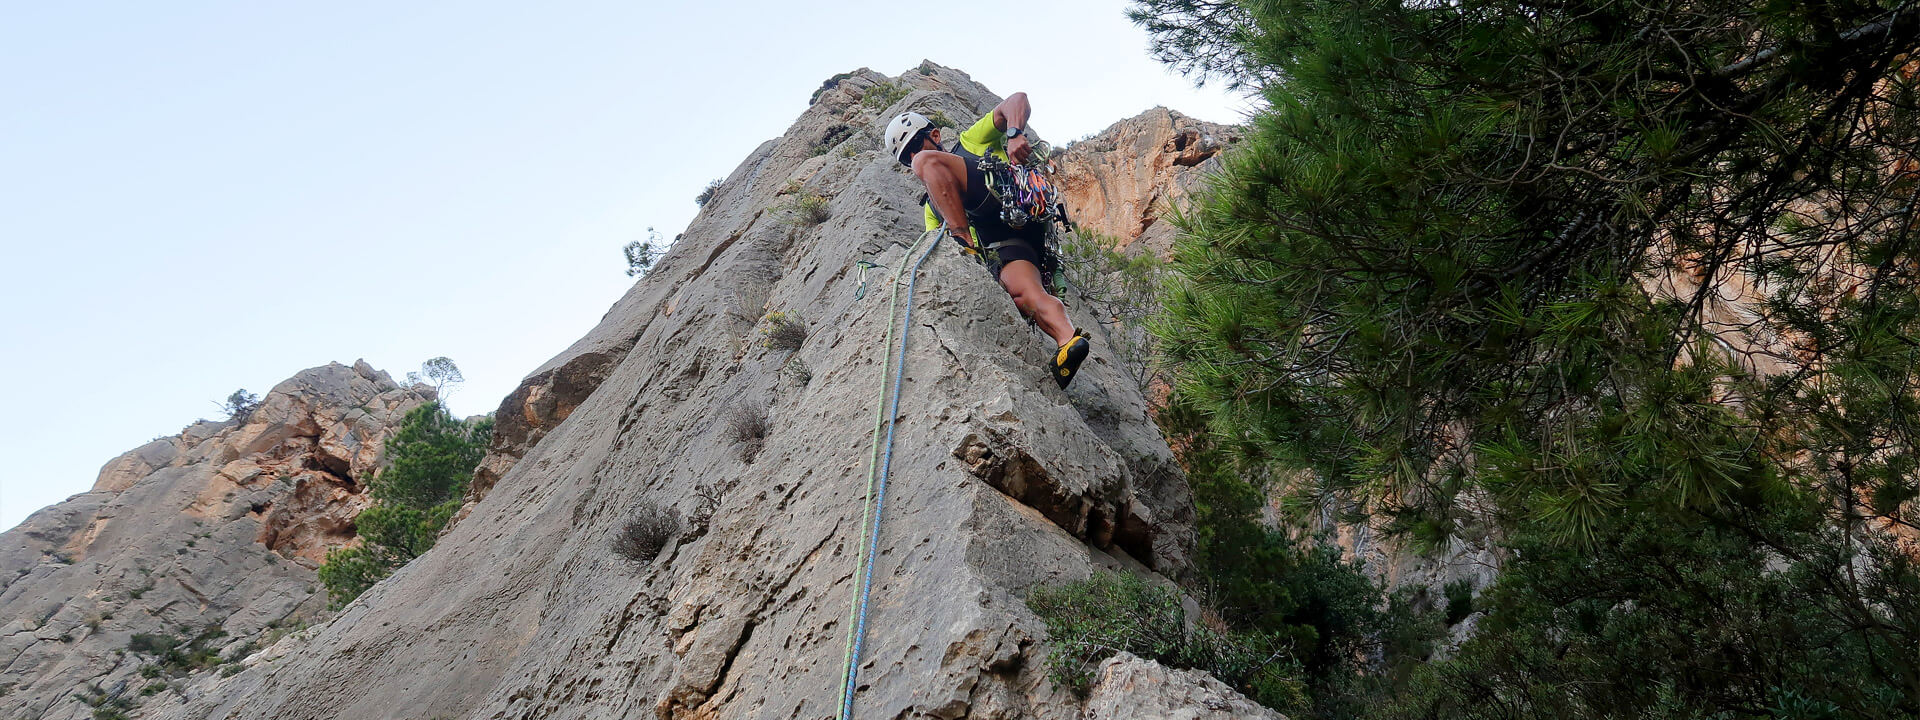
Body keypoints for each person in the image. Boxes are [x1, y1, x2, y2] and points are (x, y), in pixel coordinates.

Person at [883, 94, 1092, 388]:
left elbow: (1017, 101)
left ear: (935, 135)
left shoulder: (969, 142)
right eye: (908, 158)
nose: (913, 159)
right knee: (1023, 294)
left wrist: (1014, 133)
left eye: (915, 147)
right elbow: (933, 242)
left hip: (1002, 196)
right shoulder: (933, 208)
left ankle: (964, 240)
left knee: (929, 164)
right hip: (1012, 241)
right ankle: (1068, 341)